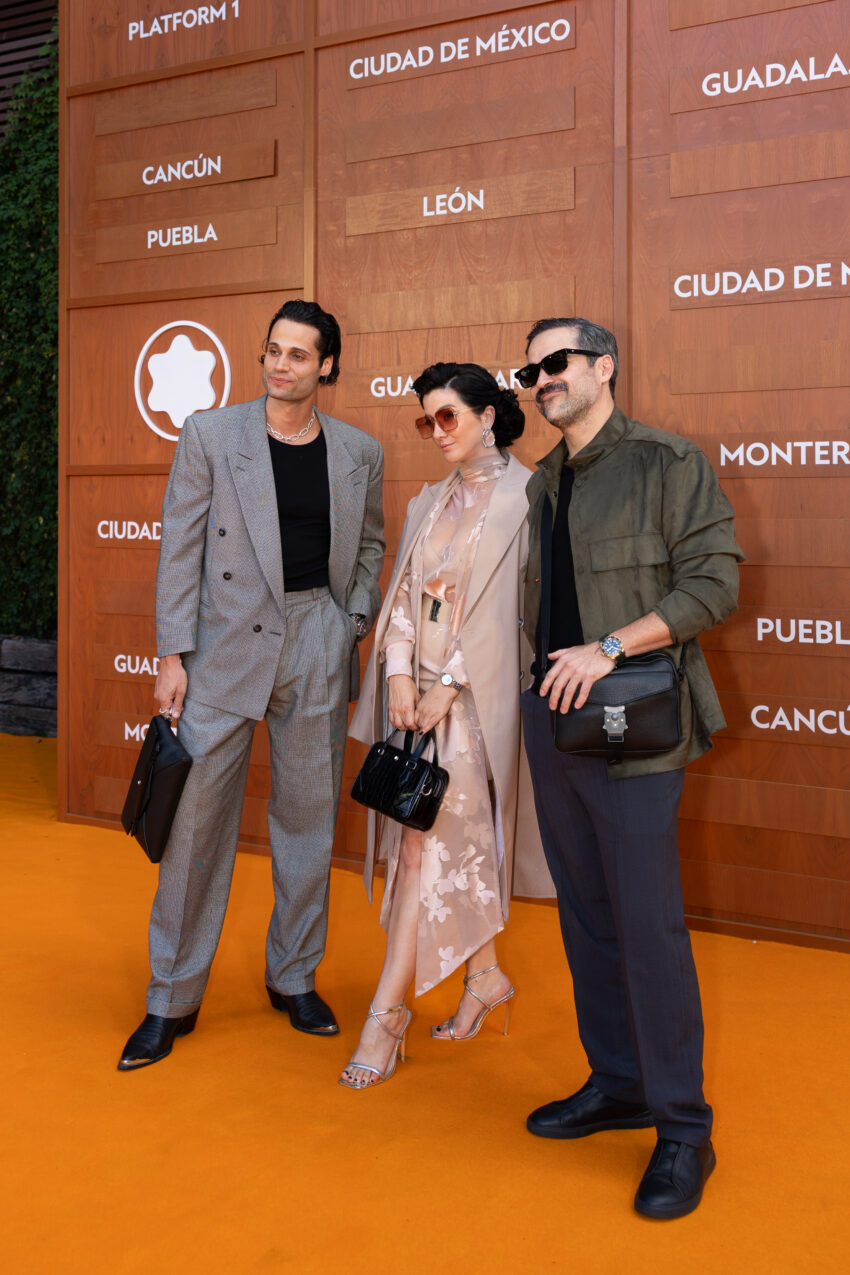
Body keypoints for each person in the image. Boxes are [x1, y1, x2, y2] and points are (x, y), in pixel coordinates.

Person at [118, 299, 384, 1070]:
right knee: (195, 824)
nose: (280, 364)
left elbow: (369, 542)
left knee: (307, 819)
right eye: (273, 350)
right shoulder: (210, 434)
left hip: (315, 639)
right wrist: (172, 654)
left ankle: (294, 975)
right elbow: (179, 547)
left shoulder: (358, 451)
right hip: (225, 642)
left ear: (327, 365)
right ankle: (171, 995)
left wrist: (351, 620)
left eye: (299, 354)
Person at [517, 317, 743, 1219]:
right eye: (532, 369)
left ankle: (684, 1128)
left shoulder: (666, 462)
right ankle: (619, 1083)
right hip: (553, 721)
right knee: (587, 916)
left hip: (634, 723)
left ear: (603, 367)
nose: (542, 378)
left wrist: (608, 647)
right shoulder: (543, 479)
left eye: (557, 362)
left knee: (648, 926)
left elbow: (713, 586)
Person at [344, 362, 551, 1089]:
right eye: (426, 420)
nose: (436, 432)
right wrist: (399, 672)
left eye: (448, 416)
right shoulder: (428, 501)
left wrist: (451, 683)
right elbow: (404, 593)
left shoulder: (531, 499)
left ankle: (385, 1015)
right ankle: (486, 978)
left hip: (476, 704)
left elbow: (526, 616)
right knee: (437, 843)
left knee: (419, 848)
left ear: (488, 416)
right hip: (413, 704)